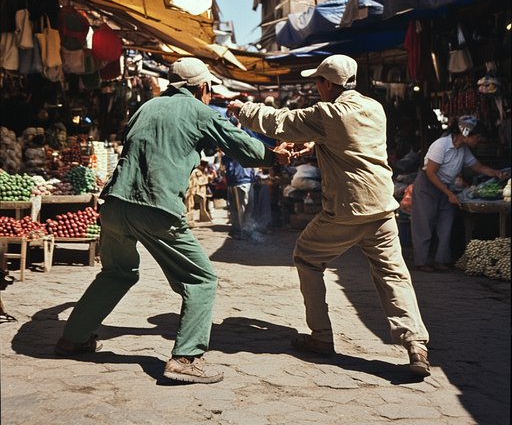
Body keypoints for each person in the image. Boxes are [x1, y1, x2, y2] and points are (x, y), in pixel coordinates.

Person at [54, 57, 291, 384]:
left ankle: (73, 337)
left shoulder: (145, 108)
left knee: (117, 272)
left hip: (114, 205)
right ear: (203, 87)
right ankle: (186, 358)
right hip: (156, 207)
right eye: (209, 90)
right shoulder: (201, 111)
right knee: (201, 279)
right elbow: (242, 148)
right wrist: (273, 156)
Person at [228, 54, 431, 377]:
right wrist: (315, 146)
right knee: (394, 275)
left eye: (318, 82)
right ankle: (416, 345)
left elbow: (280, 122)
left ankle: (321, 337)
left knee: (307, 258)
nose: (316, 88)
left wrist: (242, 109)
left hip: (347, 210)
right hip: (382, 208)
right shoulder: (373, 108)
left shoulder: (327, 113)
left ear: (327, 84)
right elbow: (351, 143)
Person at [411, 116, 508, 273]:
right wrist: (449, 193)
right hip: (427, 186)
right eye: (477, 137)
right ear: (465, 133)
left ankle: (441, 260)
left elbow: (478, 167)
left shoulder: (463, 150)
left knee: (446, 225)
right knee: (424, 224)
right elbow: (431, 173)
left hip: (446, 188)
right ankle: (423, 261)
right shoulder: (441, 145)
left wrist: (497, 173)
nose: (479, 140)